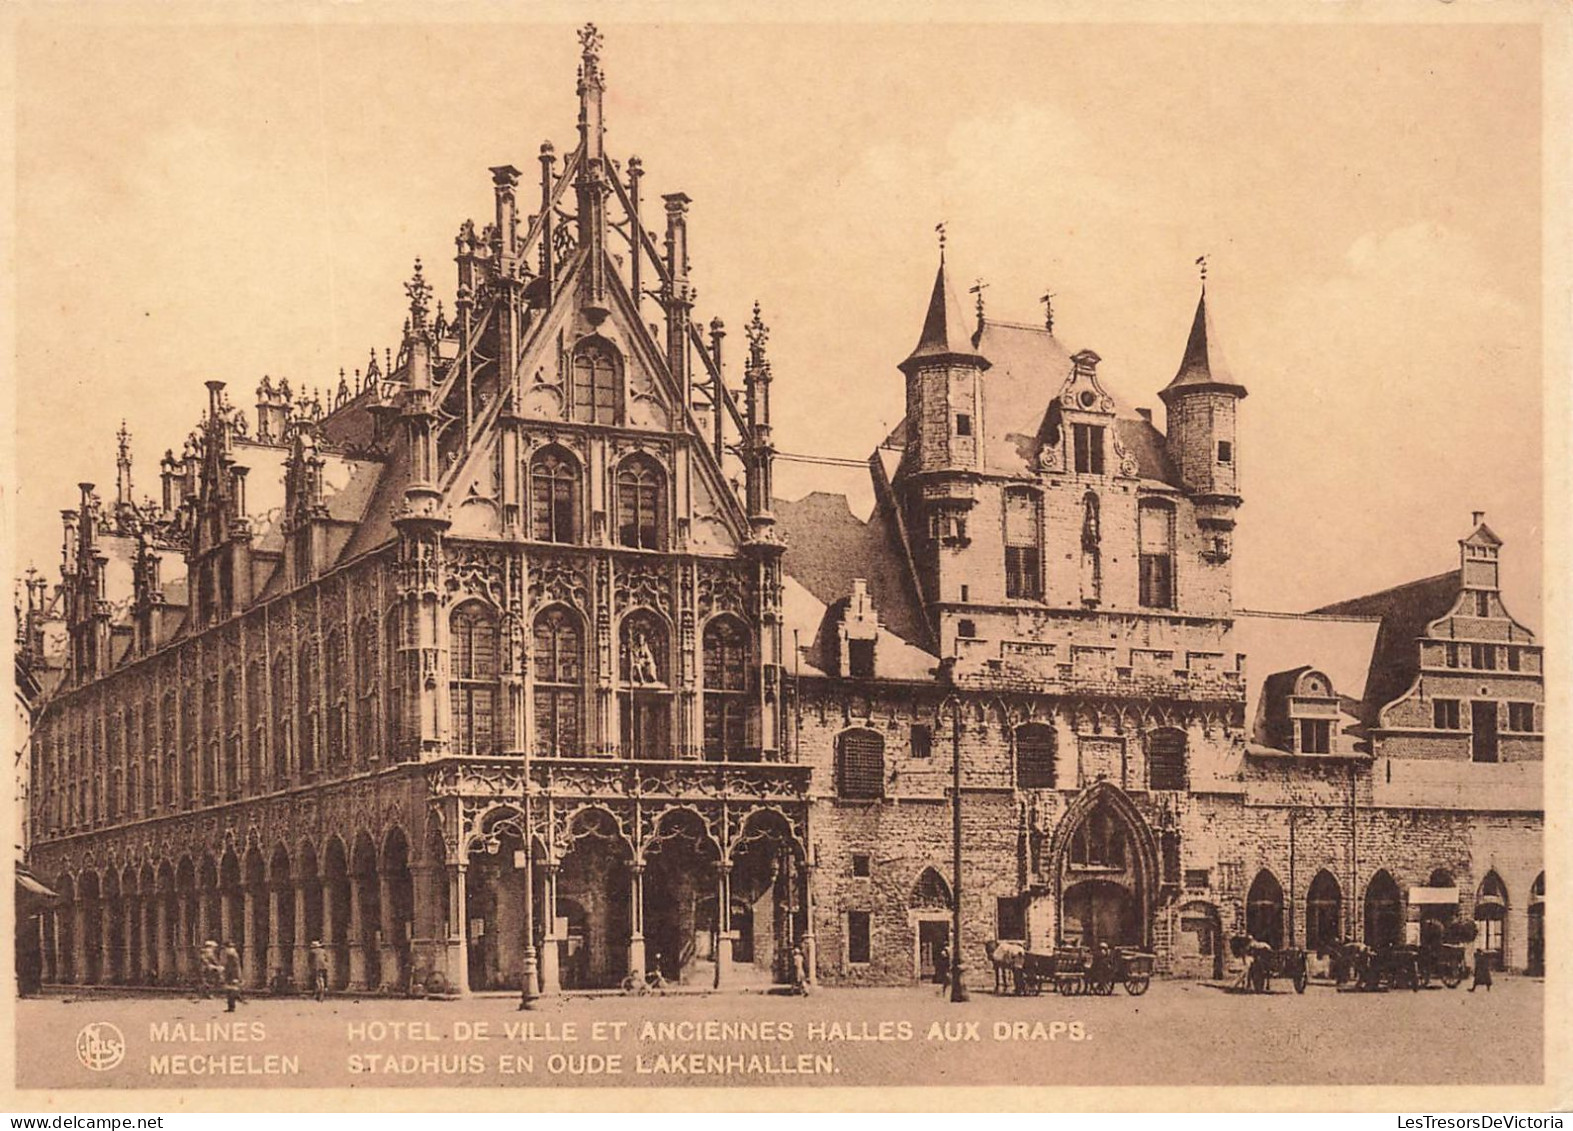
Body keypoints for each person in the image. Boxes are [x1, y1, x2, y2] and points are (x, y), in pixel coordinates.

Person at [221, 940, 244, 1012]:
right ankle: (235, 1000)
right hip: (233, 974)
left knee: (230, 990)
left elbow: (230, 965)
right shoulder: (233, 953)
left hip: (231, 974)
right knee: (231, 989)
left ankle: (232, 1006)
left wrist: (225, 972)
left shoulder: (230, 953)